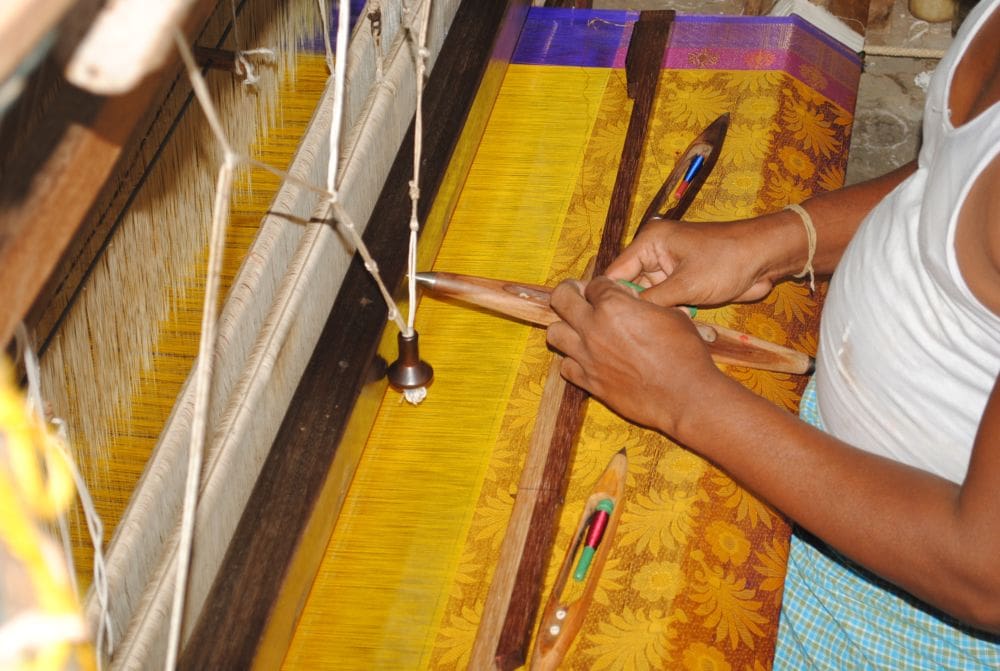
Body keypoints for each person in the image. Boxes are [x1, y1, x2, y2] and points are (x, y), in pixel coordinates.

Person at [545, 0, 1000, 667]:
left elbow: (984, 571)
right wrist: (779, 241)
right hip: (847, 472)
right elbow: (951, 184)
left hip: (907, 609)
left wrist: (687, 398)